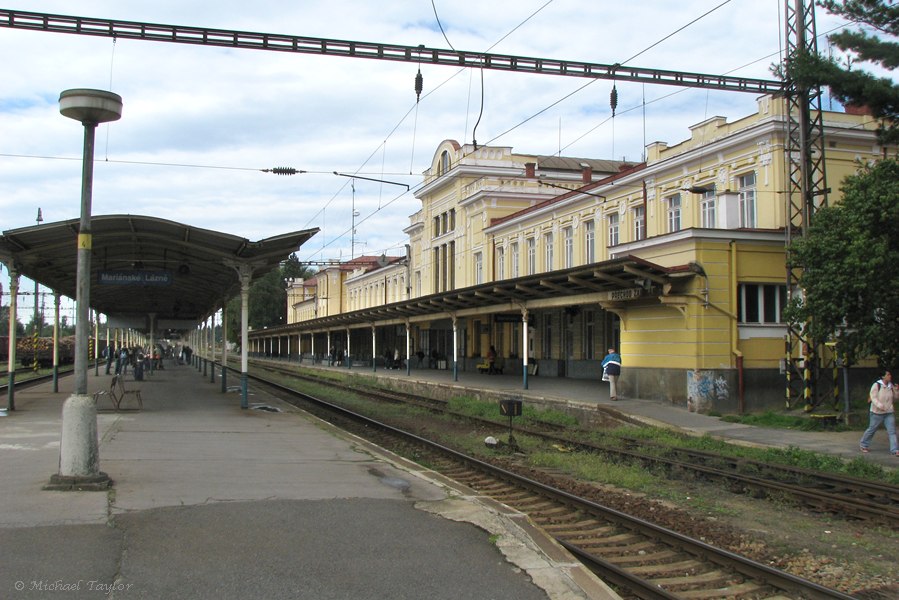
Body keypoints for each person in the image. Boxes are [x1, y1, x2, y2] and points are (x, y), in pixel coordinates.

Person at [859, 370, 898, 456]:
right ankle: (863, 445)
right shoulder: (876, 385)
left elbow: (895, 398)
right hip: (877, 412)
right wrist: (881, 406)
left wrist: (896, 390)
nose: (890, 376)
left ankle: (895, 450)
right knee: (872, 429)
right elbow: (873, 398)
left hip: (889, 412)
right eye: (888, 375)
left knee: (892, 431)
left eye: (890, 374)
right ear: (883, 376)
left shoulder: (890, 386)